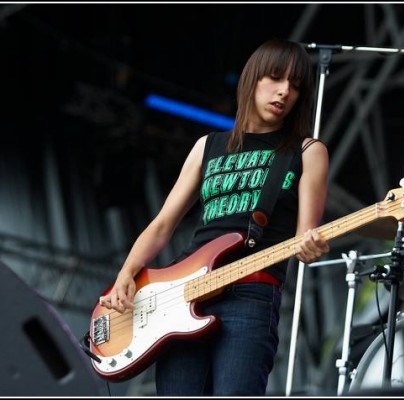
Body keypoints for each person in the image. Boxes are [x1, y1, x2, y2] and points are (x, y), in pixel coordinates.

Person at [99, 38, 331, 396]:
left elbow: (305, 235)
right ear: (252, 79)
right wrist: (126, 274)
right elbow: (163, 224)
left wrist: (310, 244)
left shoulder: (307, 152)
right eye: (275, 78)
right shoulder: (207, 146)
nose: (284, 92)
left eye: (296, 86)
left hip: (252, 293)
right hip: (184, 292)